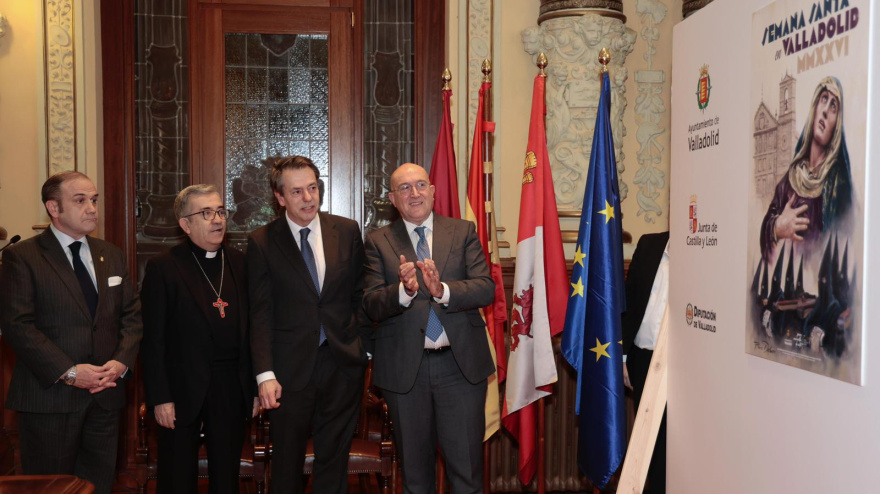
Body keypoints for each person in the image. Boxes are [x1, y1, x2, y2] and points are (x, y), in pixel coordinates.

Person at [0, 171, 142, 494]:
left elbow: (132, 316)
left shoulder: (112, 255)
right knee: (52, 489)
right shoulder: (23, 257)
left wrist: (120, 363)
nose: (92, 208)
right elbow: (17, 325)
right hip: (50, 400)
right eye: (80, 201)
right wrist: (69, 372)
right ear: (54, 207)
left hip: (105, 396)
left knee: (99, 486)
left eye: (93, 200)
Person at [363, 163, 495, 493]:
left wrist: (442, 291)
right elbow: (370, 303)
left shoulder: (463, 231)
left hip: (460, 368)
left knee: (466, 475)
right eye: (404, 188)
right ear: (393, 199)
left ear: (433, 191)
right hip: (407, 372)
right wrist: (404, 292)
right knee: (416, 478)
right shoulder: (378, 241)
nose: (414, 193)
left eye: (421, 184)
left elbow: (485, 287)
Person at [247, 156, 368, 494]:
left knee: (334, 459)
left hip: (342, 364)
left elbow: (359, 294)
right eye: (297, 191)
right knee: (287, 463)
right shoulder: (261, 242)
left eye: (312, 188)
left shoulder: (345, 231)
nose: (308, 198)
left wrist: (359, 345)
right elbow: (259, 314)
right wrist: (264, 374)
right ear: (280, 197)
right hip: (288, 371)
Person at [140, 185, 258, 494]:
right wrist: (160, 397)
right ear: (185, 224)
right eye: (206, 213)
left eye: (220, 211)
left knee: (226, 477)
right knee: (177, 477)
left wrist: (254, 387)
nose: (218, 220)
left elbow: (253, 331)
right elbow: (153, 340)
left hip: (230, 385)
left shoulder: (239, 261)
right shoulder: (164, 267)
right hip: (181, 387)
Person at [760, 76, 852, 261]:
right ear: (815, 107)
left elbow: (842, 247)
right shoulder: (791, 179)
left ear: (837, 124)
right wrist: (777, 227)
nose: (825, 110)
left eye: (833, 106)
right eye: (824, 99)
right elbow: (764, 234)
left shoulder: (838, 185)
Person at [621, 231, 669, 494]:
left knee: (670, 452)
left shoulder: (705, 250)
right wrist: (624, 356)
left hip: (679, 367)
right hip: (641, 361)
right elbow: (630, 302)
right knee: (647, 447)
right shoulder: (649, 243)